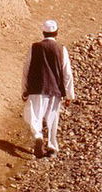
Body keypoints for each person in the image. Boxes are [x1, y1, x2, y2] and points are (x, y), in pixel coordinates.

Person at [23, 19, 76, 157]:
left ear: (43, 33)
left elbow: (26, 69)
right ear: (56, 33)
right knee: (52, 118)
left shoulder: (34, 47)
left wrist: (24, 89)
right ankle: (52, 147)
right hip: (55, 90)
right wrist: (70, 94)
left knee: (35, 115)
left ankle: (38, 136)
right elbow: (67, 73)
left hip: (37, 88)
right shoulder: (61, 49)